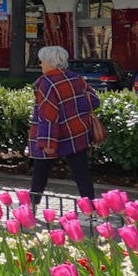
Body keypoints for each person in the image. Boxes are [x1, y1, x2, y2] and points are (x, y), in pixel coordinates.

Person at [27, 44, 101, 204]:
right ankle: (91, 209)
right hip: (75, 132)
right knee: (81, 173)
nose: (40, 64)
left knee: (40, 173)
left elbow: (48, 116)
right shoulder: (75, 78)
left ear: (50, 62)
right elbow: (94, 101)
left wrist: (47, 143)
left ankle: (30, 209)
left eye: (41, 61)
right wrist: (72, 110)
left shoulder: (46, 83)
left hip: (53, 135)